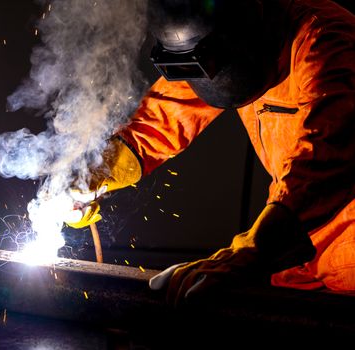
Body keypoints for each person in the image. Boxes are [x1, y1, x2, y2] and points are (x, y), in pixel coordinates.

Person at [66, 0, 355, 307]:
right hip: (298, 253)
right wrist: (96, 173)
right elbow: (164, 118)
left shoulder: (327, 42)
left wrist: (250, 250)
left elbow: (327, 161)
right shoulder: (219, 40)